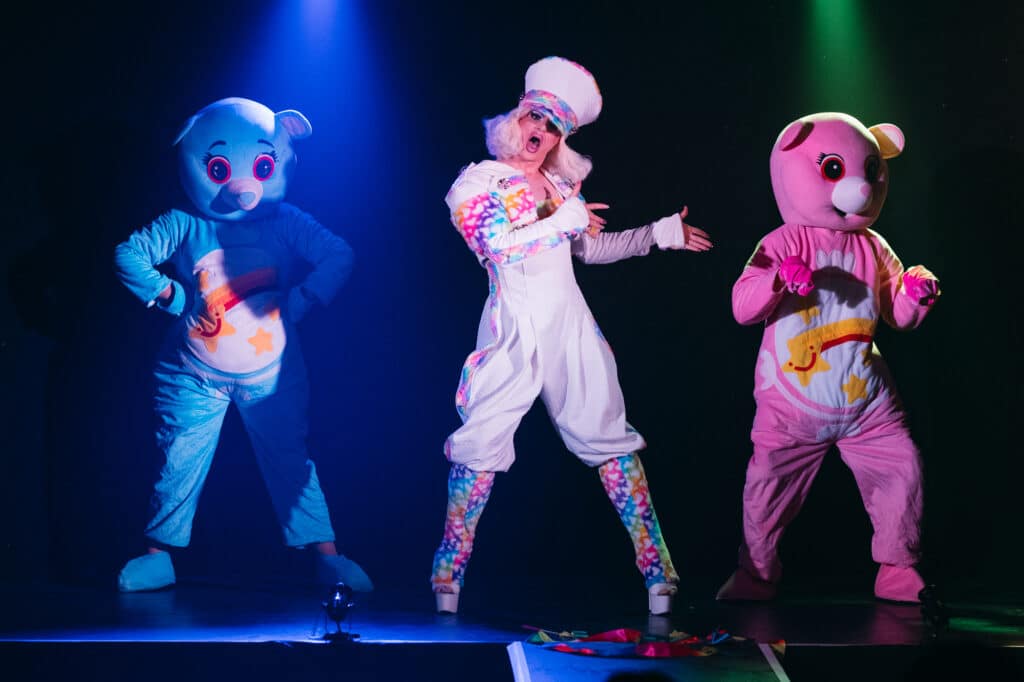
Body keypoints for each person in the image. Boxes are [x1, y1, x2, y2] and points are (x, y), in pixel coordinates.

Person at [430, 57, 713, 614]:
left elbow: (589, 250)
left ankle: (659, 573)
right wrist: (568, 217)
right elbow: (499, 245)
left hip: (570, 329)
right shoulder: (476, 182)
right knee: (480, 449)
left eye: (554, 128)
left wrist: (658, 233)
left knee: (610, 443)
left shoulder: (562, 187)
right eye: (536, 118)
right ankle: (447, 575)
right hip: (511, 331)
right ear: (518, 117)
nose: (541, 133)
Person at [113, 98, 372, 593]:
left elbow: (338, 254)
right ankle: (158, 556)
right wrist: (172, 296)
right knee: (179, 460)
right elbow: (129, 255)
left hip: (271, 374)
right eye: (218, 167)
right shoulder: (184, 222)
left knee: (291, 462)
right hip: (193, 373)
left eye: (262, 166)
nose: (243, 184)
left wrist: (302, 300)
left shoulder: (285, 220)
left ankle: (327, 557)